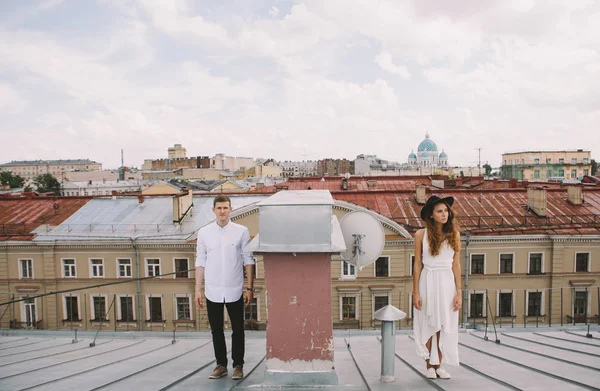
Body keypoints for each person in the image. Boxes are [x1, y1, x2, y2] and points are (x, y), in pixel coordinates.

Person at [195, 195, 255, 380]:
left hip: (235, 288)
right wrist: (197, 288)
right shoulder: (204, 233)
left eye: (225, 208)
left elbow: (248, 260)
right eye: (219, 208)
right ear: (213, 210)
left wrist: (249, 288)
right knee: (216, 330)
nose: (222, 211)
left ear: (230, 209)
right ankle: (221, 364)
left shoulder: (241, 231)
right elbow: (200, 261)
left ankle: (238, 365)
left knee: (238, 329)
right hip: (212, 289)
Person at [412, 195, 461, 380]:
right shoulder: (420, 235)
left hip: (447, 281)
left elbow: (456, 265)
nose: (444, 214)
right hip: (428, 279)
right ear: (431, 215)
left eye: (446, 210)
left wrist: (459, 292)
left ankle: (439, 364)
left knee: (443, 323)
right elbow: (417, 265)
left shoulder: (454, 234)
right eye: (439, 211)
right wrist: (415, 292)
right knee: (429, 320)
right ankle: (429, 365)